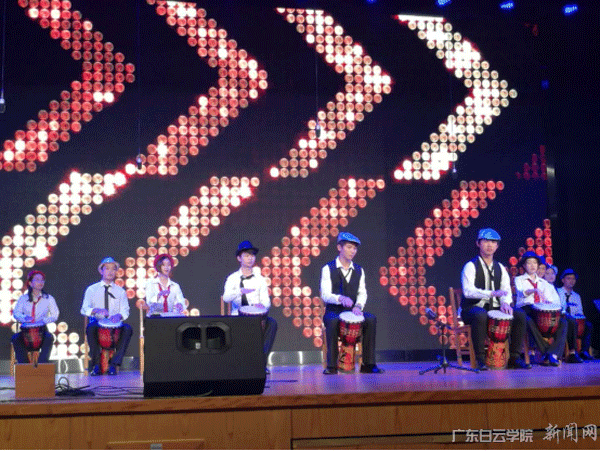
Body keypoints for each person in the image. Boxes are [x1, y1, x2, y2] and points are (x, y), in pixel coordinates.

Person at [460, 228, 530, 370]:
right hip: (472, 308)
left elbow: (506, 290)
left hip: (494, 308)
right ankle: (480, 359)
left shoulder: (501, 268)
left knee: (519, 314)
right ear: (478, 243)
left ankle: (515, 357)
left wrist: (505, 303)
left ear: (497, 246)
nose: (489, 245)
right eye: (486, 241)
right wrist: (491, 294)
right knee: (480, 315)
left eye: (493, 242)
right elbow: (468, 292)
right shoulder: (470, 266)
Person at [320, 232, 384, 374]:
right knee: (332, 321)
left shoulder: (359, 270)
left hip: (352, 311)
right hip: (334, 311)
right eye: (349, 247)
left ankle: (368, 364)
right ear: (339, 247)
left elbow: (362, 293)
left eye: (355, 248)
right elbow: (325, 294)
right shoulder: (328, 269)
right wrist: (340, 298)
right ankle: (332, 366)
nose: (352, 251)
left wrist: (358, 306)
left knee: (371, 319)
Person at [222, 241, 277, 371]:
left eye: (252, 255)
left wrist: (261, 306)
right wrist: (240, 291)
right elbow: (226, 298)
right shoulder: (232, 278)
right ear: (239, 258)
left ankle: (260, 363)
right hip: (238, 316)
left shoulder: (260, 279)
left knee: (272, 323)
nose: (250, 258)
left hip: (257, 318)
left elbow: (266, 301)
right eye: (246, 255)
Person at [81, 257, 133, 376]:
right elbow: (84, 309)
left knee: (128, 329)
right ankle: (96, 365)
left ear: (116, 272)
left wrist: (119, 315)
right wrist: (96, 310)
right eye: (107, 268)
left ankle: (114, 364)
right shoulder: (92, 289)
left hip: (115, 325)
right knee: (90, 328)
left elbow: (125, 310)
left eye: (113, 269)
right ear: (101, 271)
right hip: (98, 322)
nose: (110, 271)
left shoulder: (120, 291)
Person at [514, 251, 567, 366]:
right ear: (524, 265)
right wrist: (534, 290)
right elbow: (521, 292)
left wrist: (547, 302)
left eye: (535, 263)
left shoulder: (544, 283)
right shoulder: (519, 279)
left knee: (563, 322)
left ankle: (552, 353)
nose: (532, 265)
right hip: (526, 309)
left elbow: (549, 300)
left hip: (541, 311)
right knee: (528, 321)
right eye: (529, 263)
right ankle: (548, 353)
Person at [11, 270, 59, 364]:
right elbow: (16, 313)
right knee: (16, 338)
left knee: (49, 337)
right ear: (30, 283)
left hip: (41, 329)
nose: (40, 282)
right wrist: (24, 318)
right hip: (25, 331)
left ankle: (42, 364)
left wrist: (44, 320)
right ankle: (24, 366)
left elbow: (55, 315)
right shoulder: (23, 298)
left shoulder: (48, 298)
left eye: (42, 280)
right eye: (37, 280)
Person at [557, 268, 593, 362]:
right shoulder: (558, 292)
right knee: (572, 322)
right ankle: (572, 352)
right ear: (563, 280)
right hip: (563, 319)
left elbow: (580, 312)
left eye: (573, 279)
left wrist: (579, 316)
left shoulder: (576, 296)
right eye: (568, 278)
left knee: (588, 325)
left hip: (575, 320)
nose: (571, 281)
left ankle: (584, 351)